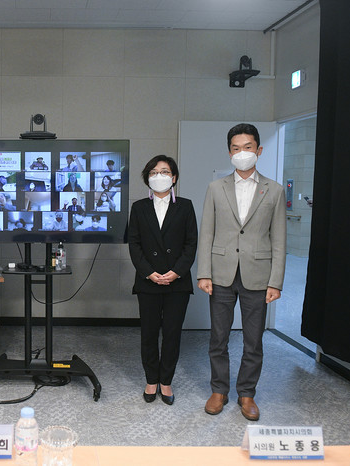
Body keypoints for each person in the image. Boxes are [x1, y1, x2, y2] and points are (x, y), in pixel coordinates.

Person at [197, 123, 286, 422]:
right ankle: (219, 390)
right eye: (236, 148)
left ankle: (247, 394)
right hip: (221, 273)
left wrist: (276, 281)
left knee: (253, 341)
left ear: (259, 150)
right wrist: (204, 273)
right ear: (229, 153)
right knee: (218, 338)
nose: (242, 153)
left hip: (258, 276)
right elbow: (207, 233)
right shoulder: (215, 188)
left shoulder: (274, 190)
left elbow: (279, 240)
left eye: (247, 147)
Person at [128, 155, 197, 406]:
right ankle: (151, 380)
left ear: (174, 177)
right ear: (147, 178)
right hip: (148, 280)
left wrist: (177, 271)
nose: (159, 176)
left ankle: (166, 381)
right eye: (154, 172)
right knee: (148, 333)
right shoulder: (139, 208)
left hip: (177, 282)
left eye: (165, 172)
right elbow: (134, 244)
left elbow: (191, 243)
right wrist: (148, 272)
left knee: (172, 334)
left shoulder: (185, 206)